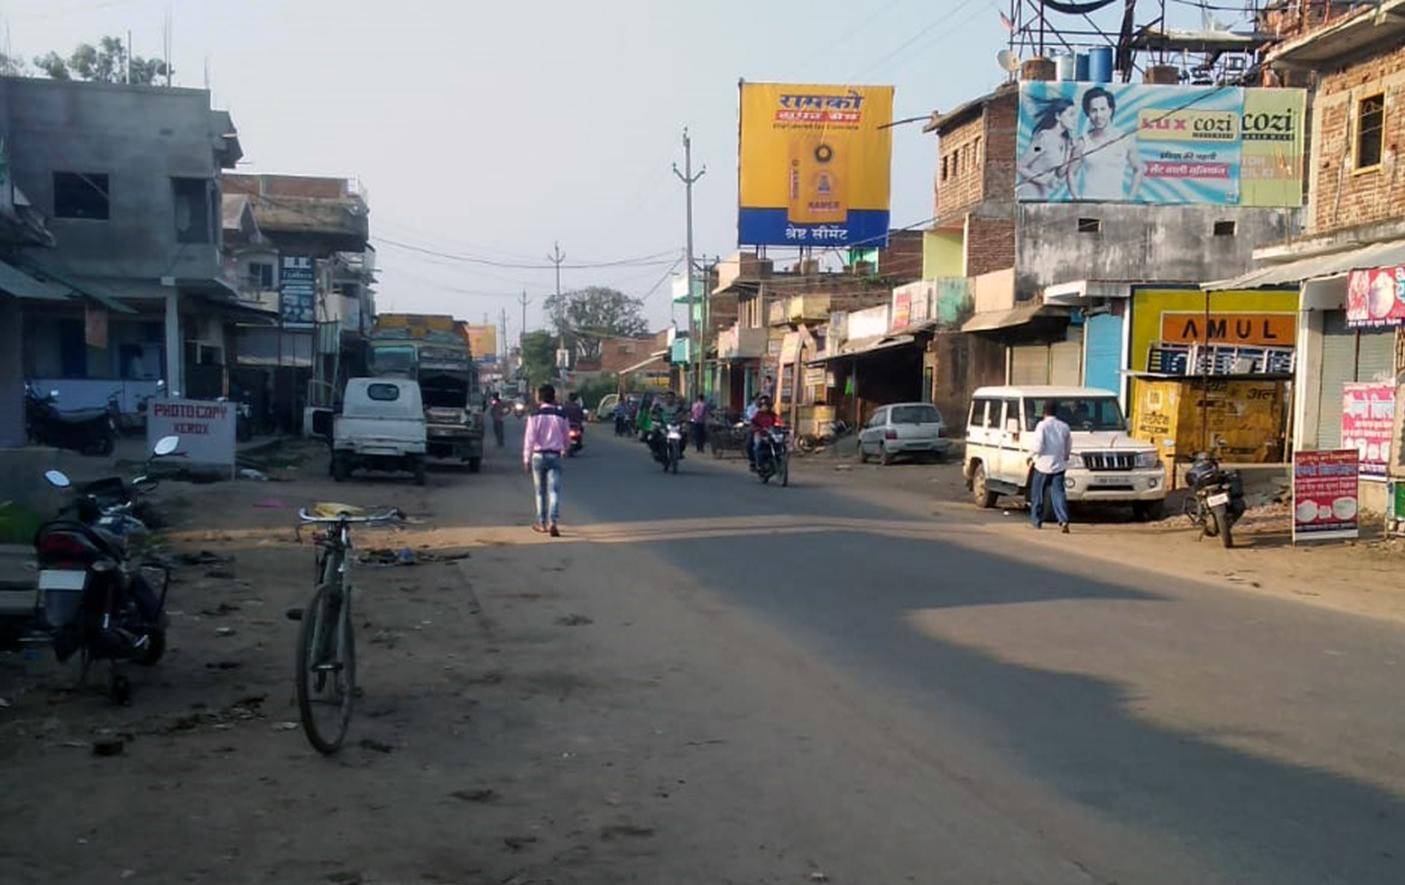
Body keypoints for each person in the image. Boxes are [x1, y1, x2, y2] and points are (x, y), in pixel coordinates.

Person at [1072, 86, 1143, 202]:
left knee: (1114, 221)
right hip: (1088, 206)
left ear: (1110, 110)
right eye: (1093, 110)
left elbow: (1139, 168)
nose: (1099, 115)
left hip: (1116, 205)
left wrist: (1130, 199)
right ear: (1088, 113)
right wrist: (1077, 200)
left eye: (1102, 109)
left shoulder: (1125, 139)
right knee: (1088, 221)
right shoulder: (1083, 142)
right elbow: (1071, 172)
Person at [522, 384, 570, 537]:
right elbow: (566, 437)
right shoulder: (561, 415)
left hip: (538, 456)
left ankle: (542, 523)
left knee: (540, 492)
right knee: (554, 491)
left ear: (539, 397)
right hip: (555, 456)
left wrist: (526, 458)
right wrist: (565, 449)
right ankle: (553, 523)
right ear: (553, 397)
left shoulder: (534, 415)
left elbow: (529, 439)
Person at [1016, 97, 1077, 200]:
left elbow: (1060, 173)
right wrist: (1043, 180)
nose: (1074, 119)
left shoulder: (1064, 141)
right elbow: (1020, 166)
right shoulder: (1044, 138)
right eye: (1070, 114)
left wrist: (1069, 150)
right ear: (1058, 116)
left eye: (1074, 115)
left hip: (1043, 197)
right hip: (1029, 194)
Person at [1027, 399, 1073, 533]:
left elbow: (1038, 445)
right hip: (1059, 465)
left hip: (1042, 465)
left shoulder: (1042, 426)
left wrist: (1030, 455)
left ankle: (1036, 520)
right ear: (1056, 412)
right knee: (1059, 493)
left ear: (1043, 412)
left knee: (1038, 493)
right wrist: (1065, 456)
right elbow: (1068, 445)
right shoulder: (1064, 426)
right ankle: (1063, 519)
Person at [749, 395, 780, 472]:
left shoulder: (773, 415)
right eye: (763, 405)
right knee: (757, 446)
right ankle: (759, 464)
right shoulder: (758, 415)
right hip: (760, 434)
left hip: (772, 434)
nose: (765, 407)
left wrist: (784, 426)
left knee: (780, 444)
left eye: (767, 405)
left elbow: (779, 422)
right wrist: (758, 429)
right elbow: (752, 424)